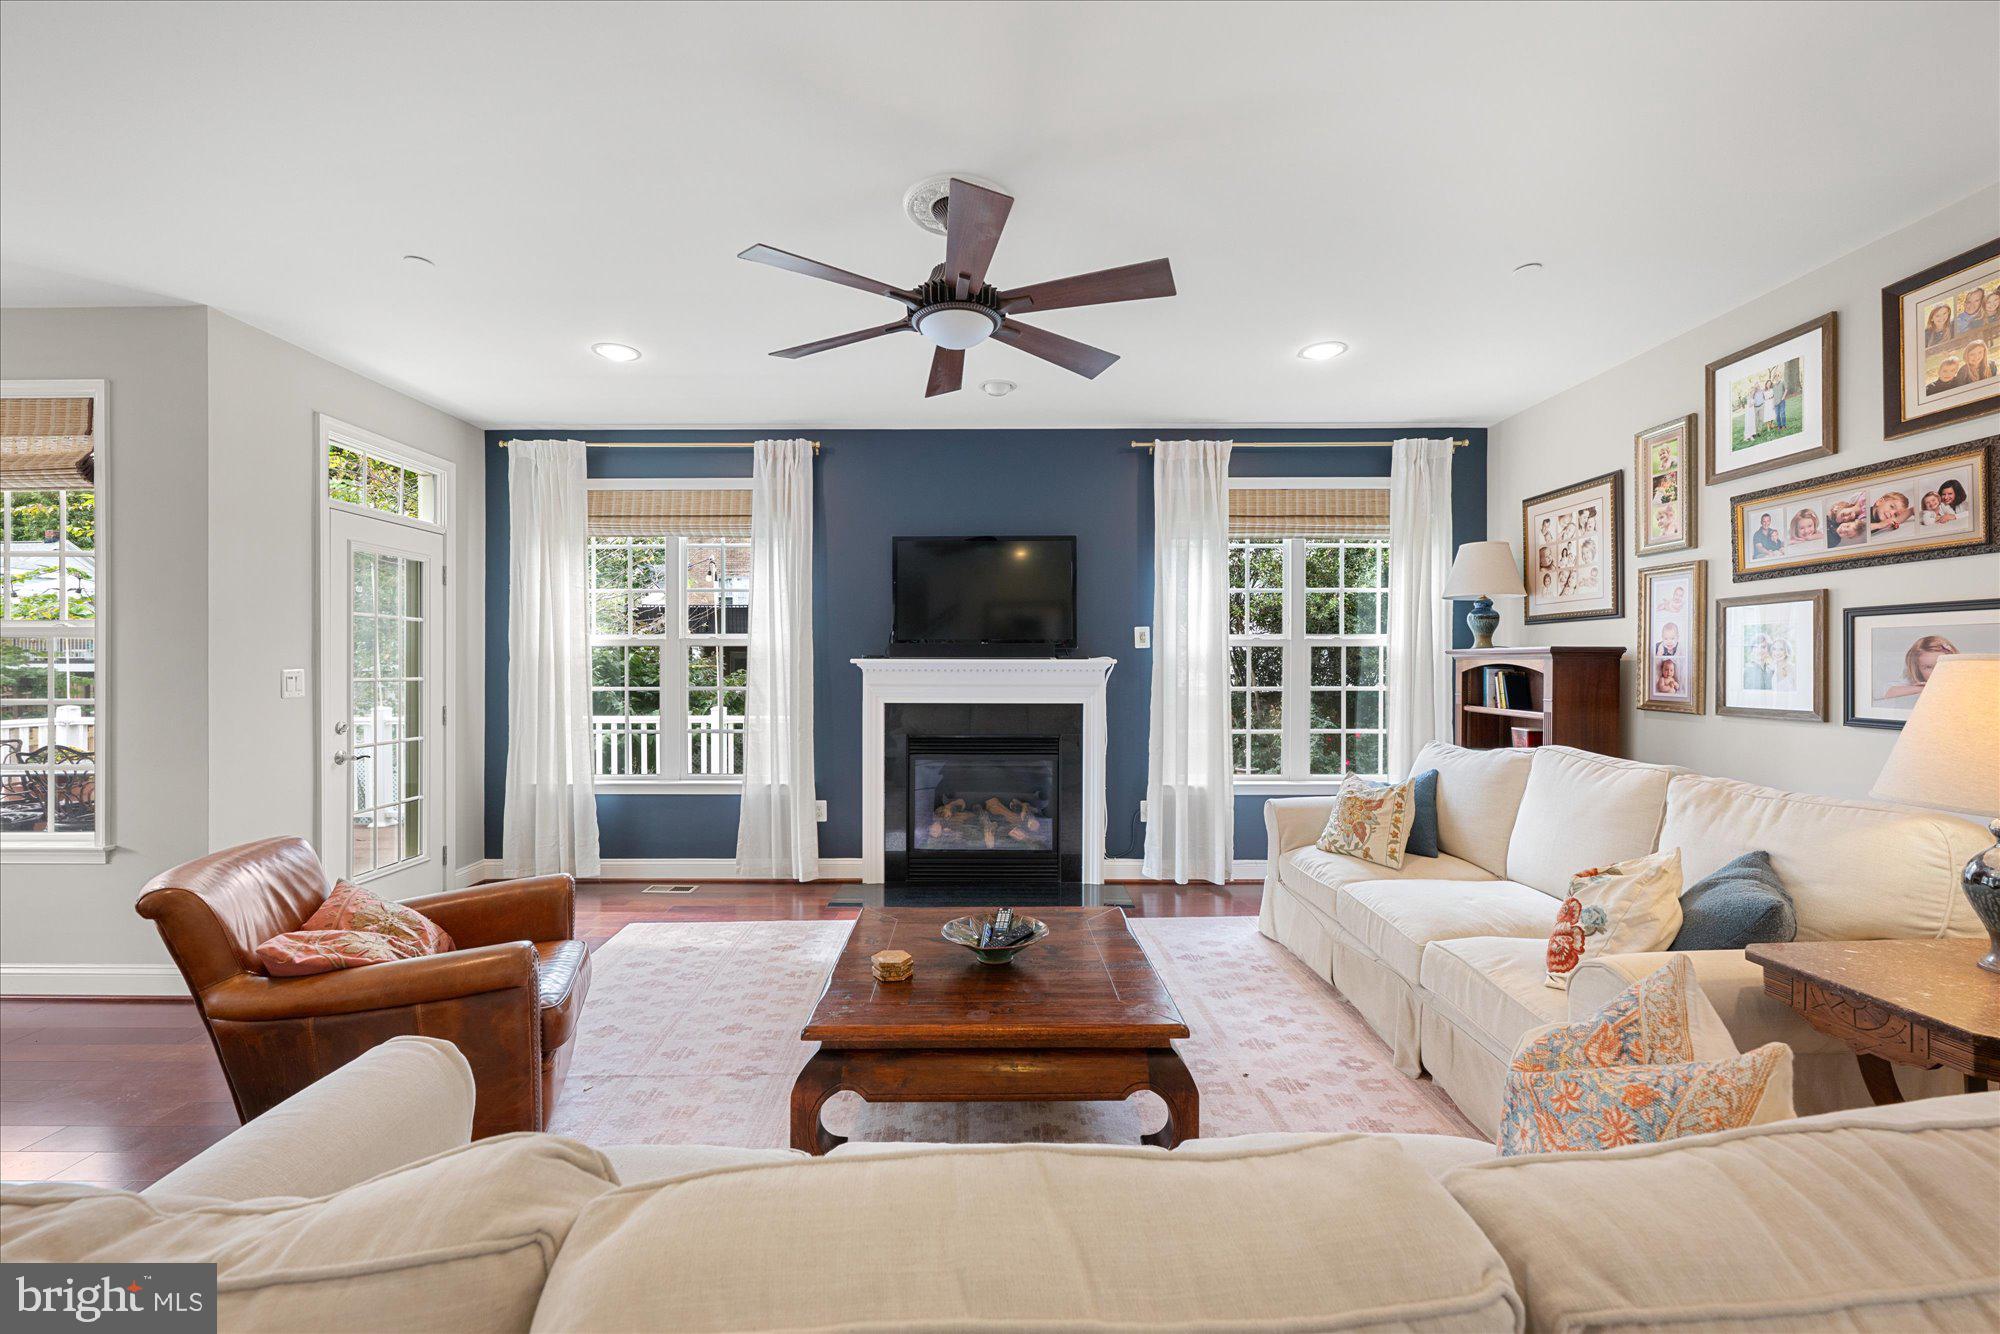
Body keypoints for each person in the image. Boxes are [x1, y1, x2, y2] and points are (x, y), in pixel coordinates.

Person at [1881, 634, 1959, 700]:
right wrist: (1924, 688)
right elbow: (1886, 692)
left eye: (1942, 665)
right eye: (1928, 667)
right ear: (1917, 669)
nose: (1936, 671)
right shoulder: (1913, 682)